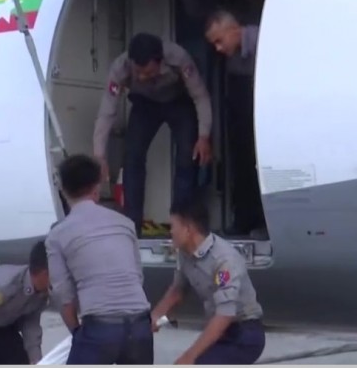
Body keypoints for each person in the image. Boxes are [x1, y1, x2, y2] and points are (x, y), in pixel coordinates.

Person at [94, 32, 213, 237]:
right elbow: (107, 111)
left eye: (148, 72)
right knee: (132, 158)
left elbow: (200, 95)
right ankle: (132, 226)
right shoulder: (120, 68)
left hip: (178, 102)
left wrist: (204, 136)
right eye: (138, 72)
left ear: (160, 62)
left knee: (187, 158)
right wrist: (99, 154)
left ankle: (181, 223)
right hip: (144, 104)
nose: (141, 77)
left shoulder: (178, 57)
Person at [45, 153, 153, 365]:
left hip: (100, 329)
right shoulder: (125, 224)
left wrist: (77, 332)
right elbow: (137, 277)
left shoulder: (58, 235)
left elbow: (62, 294)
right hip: (141, 325)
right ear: (97, 187)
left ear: (62, 189)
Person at [150, 200, 265, 364]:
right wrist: (155, 317)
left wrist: (189, 357)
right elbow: (178, 290)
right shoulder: (185, 252)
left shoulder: (223, 261)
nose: (171, 232)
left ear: (188, 229)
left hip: (243, 334)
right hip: (221, 329)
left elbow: (225, 314)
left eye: (173, 226)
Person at [203, 7, 268, 239]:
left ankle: (267, 222)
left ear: (234, 30)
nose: (218, 48)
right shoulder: (232, 59)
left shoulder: (266, 40)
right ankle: (244, 220)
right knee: (243, 164)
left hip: (267, 113)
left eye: (219, 41)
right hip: (245, 115)